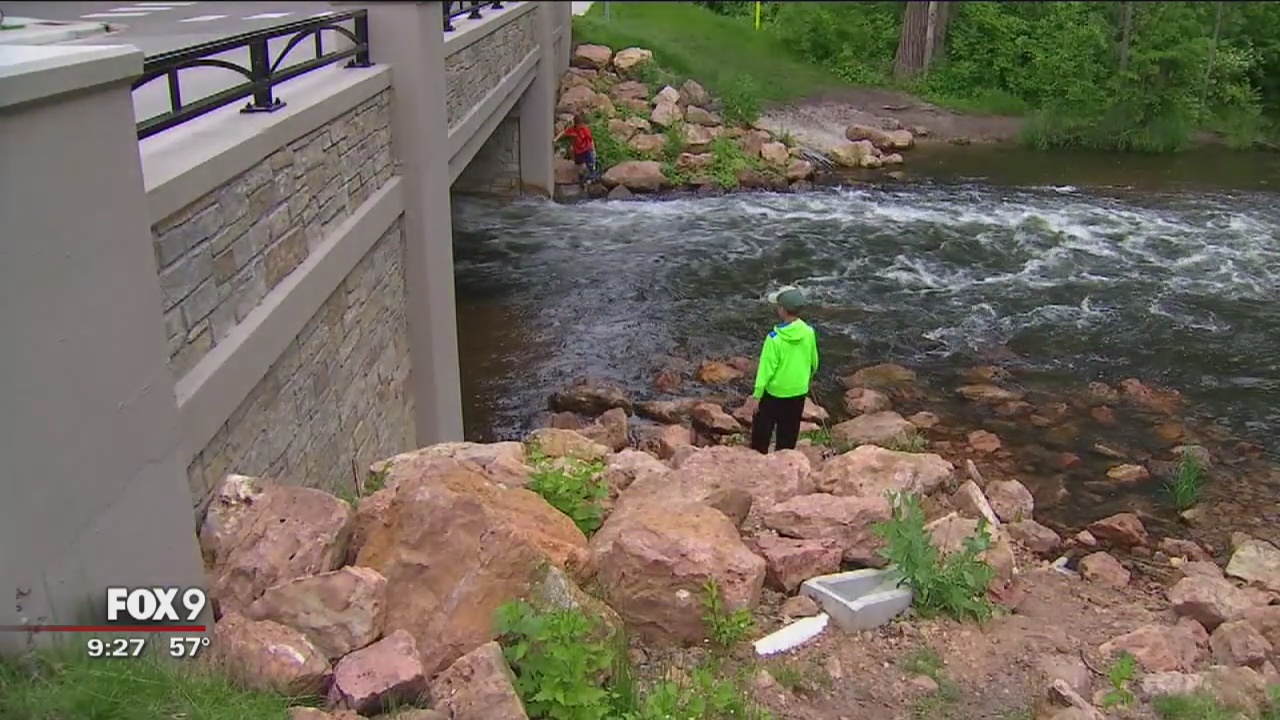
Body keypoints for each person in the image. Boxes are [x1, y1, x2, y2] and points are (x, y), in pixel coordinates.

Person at [750, 287, 819, 454]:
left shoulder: (774, 338)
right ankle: (784, 460)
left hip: (774, 393)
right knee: (789, 432)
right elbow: (814, 361)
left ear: (782, 310)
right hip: (798, 391)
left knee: (762, 429)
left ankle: (758, 459)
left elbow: (766, 370)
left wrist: (757, 395)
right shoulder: (809, 332)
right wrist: (808, 377)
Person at [555, 113, 597, 184]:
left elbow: (590, 140)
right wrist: (556, 139)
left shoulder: (585, 130)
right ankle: (581, 174)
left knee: (590, 162)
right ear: (576, 124)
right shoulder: (573, 130)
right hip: (578, 151)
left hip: (586, 150)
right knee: (578, 163)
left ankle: (592, 174)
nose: (581, 126)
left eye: (582, 125)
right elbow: (564, 133)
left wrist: (593, 150)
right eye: (580, 125)